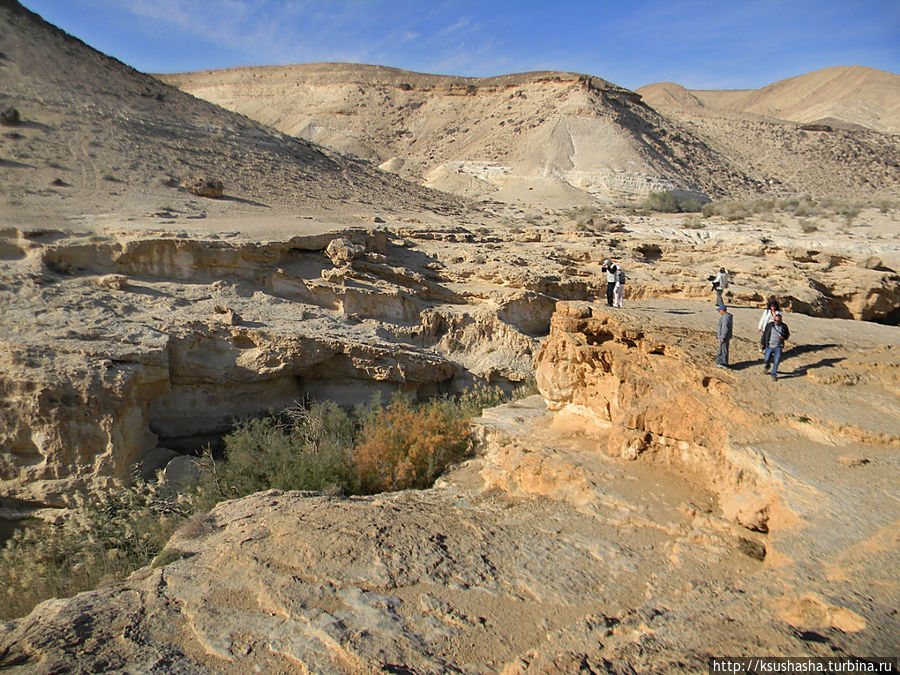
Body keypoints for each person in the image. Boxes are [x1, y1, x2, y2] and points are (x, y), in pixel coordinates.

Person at [761, 311, 790, 380]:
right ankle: (767, 366)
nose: (776, 322)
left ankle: (773, 374)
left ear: (781, 320)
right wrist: (762, 343)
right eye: (775, 320)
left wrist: (784, 337)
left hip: (778, 347)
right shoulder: (770, 325)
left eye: (778, 321)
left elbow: (787, 335)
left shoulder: (784, 326)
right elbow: (765, 334)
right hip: (769, 346)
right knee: (766, 359)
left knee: (776, 362)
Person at [716, 304, 733, 369]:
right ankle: (722, 363)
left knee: (723, 350)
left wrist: (722, 337)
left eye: (719, 310)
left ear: (722, 310)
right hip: (725, 336)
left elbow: (725, 328)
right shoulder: (727, 316)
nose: (719, 312)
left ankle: (722, 363)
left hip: (724, 337)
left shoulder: (726, 317)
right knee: (723, 350)